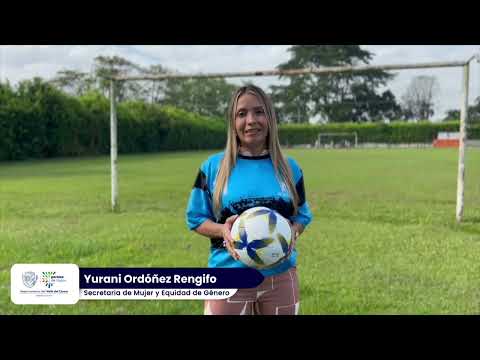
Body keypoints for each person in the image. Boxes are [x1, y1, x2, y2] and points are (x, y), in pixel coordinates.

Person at [185, 84, 313, 315]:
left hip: (280, 278)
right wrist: (222, 230)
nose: (251, 120)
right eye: (242, 114)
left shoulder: (290, 168)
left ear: (270, 118)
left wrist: (292, 230)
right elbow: (196, 218)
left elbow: (302, 215)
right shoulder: (213, 167)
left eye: (259, 112)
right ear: (232, 123)